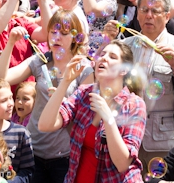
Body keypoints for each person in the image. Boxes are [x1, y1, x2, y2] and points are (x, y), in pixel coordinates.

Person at [104, 0, 174, 164]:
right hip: (125, 138)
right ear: (137, 15)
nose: (149, 15)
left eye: (155, 11)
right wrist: (107, 42)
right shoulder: (123, 47)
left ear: (167, 16)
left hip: (163, 145)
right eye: (144, 10)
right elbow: (103, 84)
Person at [0, 11, 94, 183]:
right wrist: (10, 43)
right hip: (33, 149)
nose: (56, 37)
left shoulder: (83, 68)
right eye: (53, 32)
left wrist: (61, 100)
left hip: (64, 153)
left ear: (75, 37)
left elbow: (85, 114)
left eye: (64, 33)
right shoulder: (40, 61)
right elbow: (0, 78)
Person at [38, 42, 146, 183]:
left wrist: (108, 118)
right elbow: (45, 125)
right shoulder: (84, 93)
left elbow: (123, 164)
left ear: (123, 70)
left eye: (112, 57)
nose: (104, 58)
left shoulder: (134, 104)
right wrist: (65, 82)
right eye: (102, 54)